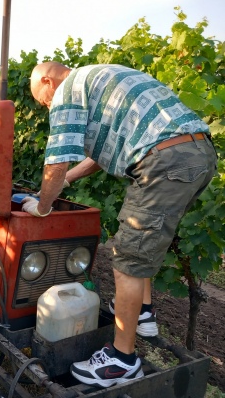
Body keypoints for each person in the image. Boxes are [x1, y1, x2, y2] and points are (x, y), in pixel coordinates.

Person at [26, 61, 217, 388]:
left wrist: (42, 206)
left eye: (42, 100)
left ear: (47, 79)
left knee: (126, 260)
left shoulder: (67, 90)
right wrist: (69, 180)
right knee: (140, 242)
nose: (47, 105)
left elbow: (57, 157)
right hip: (197, 153)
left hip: (164, 158)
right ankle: (142, 313)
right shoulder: (101, 78)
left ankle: (121, 361)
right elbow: (98, 158)